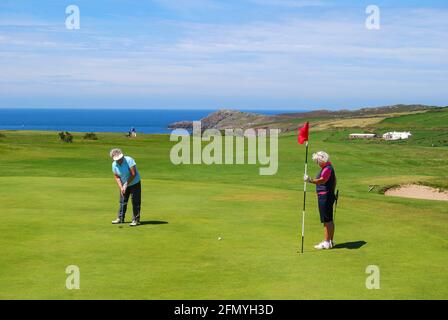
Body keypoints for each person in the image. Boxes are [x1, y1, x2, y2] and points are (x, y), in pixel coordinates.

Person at [304, 151, 337, 250]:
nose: (317, 163)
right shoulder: (328, 167)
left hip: (325, 196)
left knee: (326, 220)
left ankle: (327, 242)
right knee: (329, 219)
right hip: (327, 195)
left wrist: (309, 180)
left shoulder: (327, 169)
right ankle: (329, 241)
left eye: (317, 161)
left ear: (321, 160)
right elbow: (335, 180)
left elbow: (322, 180)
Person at [110, 148, 141, 226]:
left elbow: (133, 173)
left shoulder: (129, 160)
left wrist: (126, 184)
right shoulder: (114, 164)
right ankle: (120, 218)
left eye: (120, 158)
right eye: (117, 159)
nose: (120, 160)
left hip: (135, 183)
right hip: (124, 184)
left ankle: (136, 220)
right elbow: (117, 176)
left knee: (135, 202)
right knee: (123, 201)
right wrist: (121, 187)